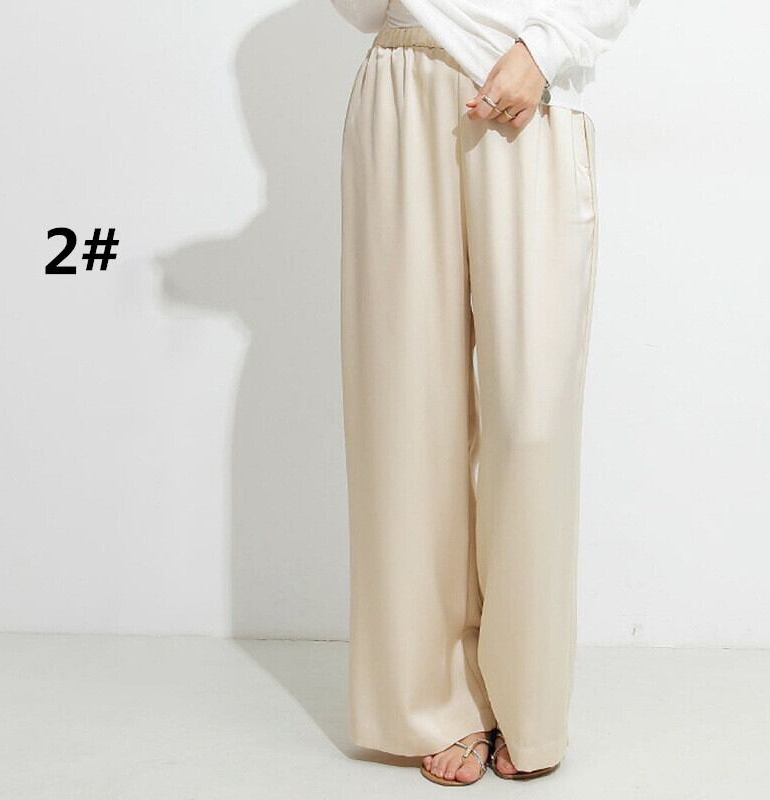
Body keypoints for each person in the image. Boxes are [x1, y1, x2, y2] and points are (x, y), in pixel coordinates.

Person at [331, 0, 639, 785]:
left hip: (530, 84)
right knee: (405, 411)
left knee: (532, 418)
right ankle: (434, 700)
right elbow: (360, 10)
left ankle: (528, 706)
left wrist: (545, 47)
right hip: (402, 78)